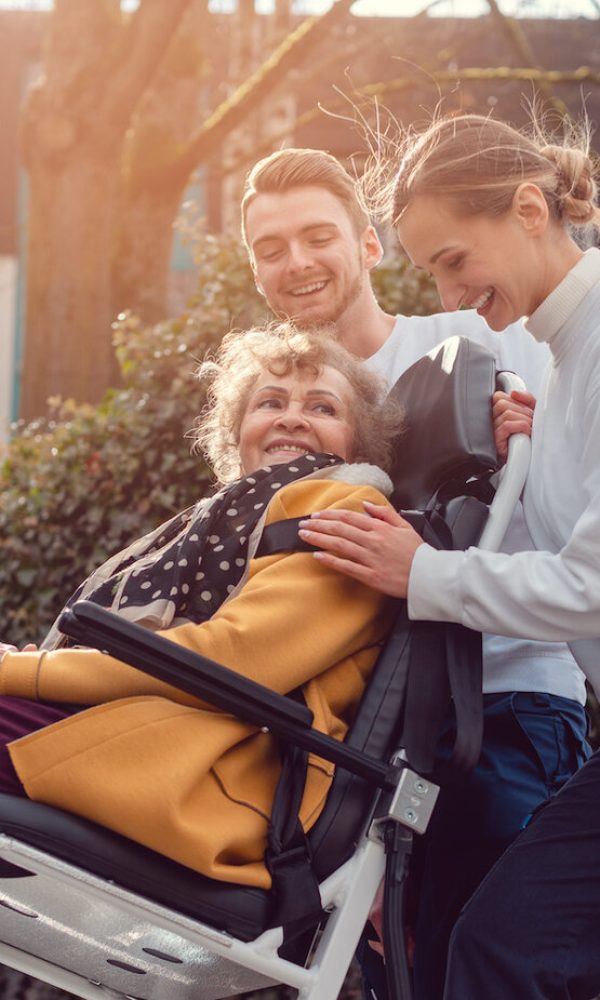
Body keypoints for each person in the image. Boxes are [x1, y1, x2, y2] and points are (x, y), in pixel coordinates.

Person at [240, 147, 590, 1000]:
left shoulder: (485, 332)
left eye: (317, 235)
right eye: (271, 247)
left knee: (493, 953)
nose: (298, 262)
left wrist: (525, 440)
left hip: (500, 700)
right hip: (378, 745)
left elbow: (565, 522)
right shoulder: (283, 401)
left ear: (367, 245)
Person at [0, 322, 406, 887]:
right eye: (270, 402)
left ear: (358, 444)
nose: (292, 417)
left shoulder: (348, 511)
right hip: (154, 737)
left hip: (220, 772)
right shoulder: (226, 519)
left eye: (322, 407)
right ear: (237, 432)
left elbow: (228, 657)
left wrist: (24, 672)